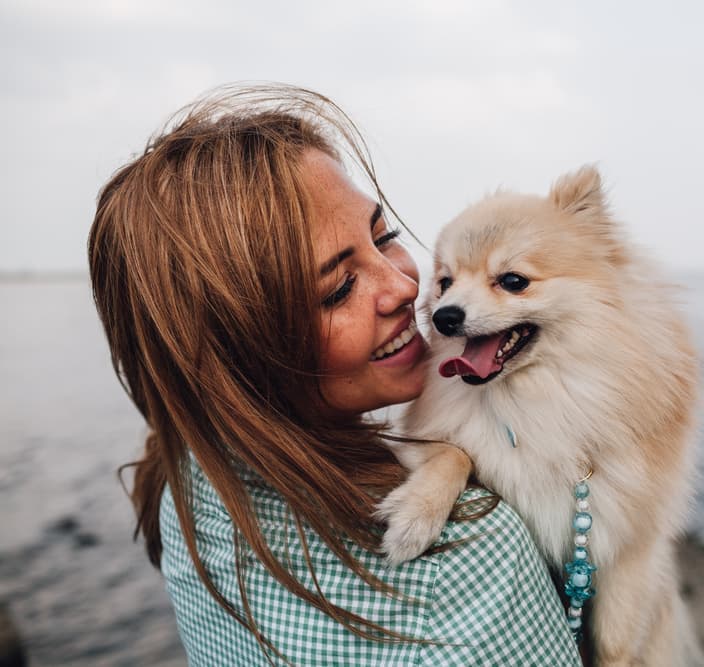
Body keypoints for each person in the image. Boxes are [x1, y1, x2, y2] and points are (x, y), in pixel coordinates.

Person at [88, 83, 581, 666]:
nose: (405, 288)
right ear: (240, 358)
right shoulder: (470, 559)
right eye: (339, 288)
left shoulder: (181, 476)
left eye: (384, 237)